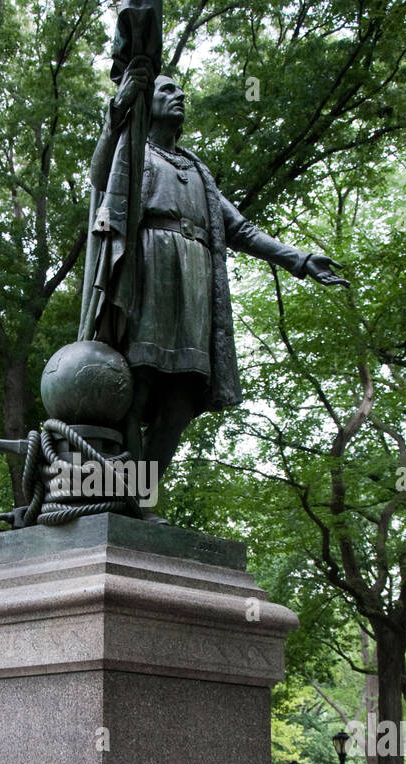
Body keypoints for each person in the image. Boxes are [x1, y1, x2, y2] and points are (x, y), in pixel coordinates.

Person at [84, 61, 349, 483]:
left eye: (181, 93)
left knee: (185, 395)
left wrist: (297, 260)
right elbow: (101, 179)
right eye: (167, 91)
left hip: (195, 281)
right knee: (139, 383)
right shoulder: (133, 150)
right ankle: (128, 495)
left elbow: (240, 230)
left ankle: (141, 490)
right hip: (150, 271)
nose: (179, 97)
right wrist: (117, 113)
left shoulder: (197, 170)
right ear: (146, 103)